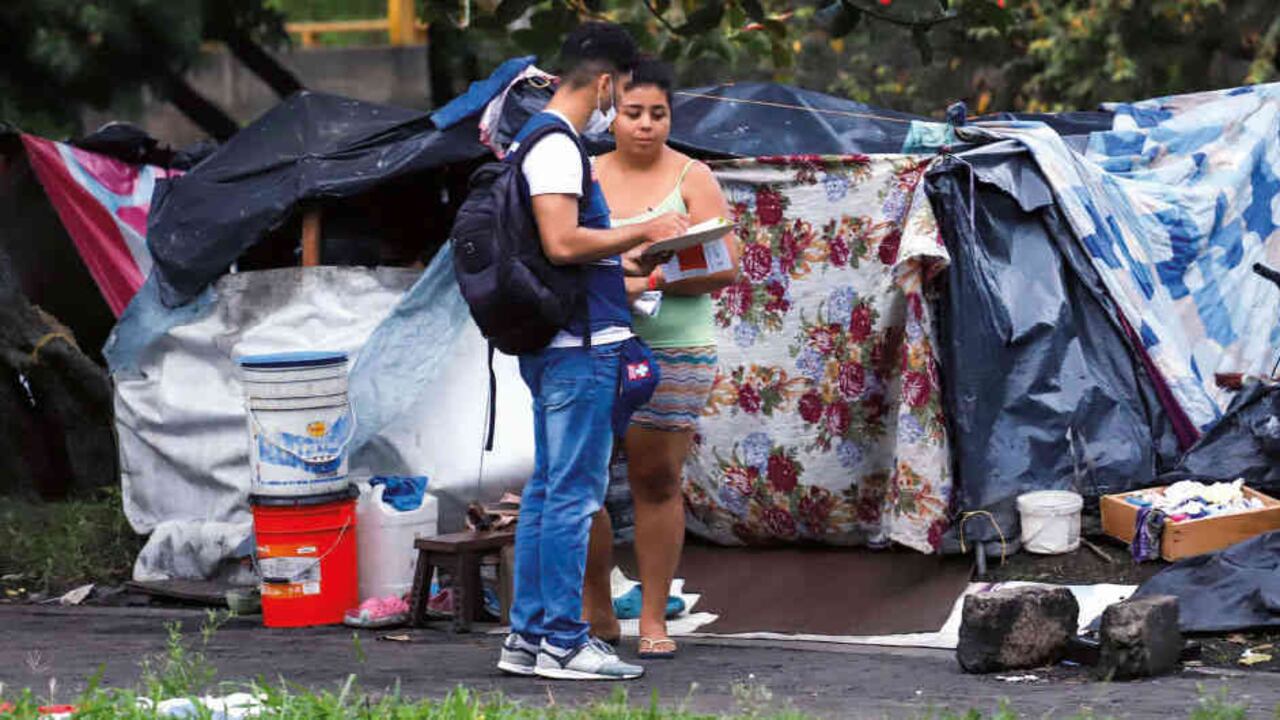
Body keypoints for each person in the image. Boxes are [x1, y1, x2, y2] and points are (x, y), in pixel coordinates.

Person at [496, 24, 690, 682]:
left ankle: (527, 637)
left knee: (550, 493)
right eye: (623, 95)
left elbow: (577, 247)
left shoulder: (541, 140)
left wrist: (624, 254)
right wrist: (648, 228)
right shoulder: (556, 145)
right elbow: (561, 243)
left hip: (564, 341)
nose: (623, 110)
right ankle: (563, 641)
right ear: (606, 83)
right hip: (579, 349)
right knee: (574, 498)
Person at [581, 58, 739, 659]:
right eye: (633, 112)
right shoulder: (586, 174)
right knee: (584, 480)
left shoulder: (693, 175)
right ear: (611, 115)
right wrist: (622, 276)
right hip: (594, 342)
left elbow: (725, 264)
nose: (646, 125)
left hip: (675, 343)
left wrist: (652, 280)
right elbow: (563, 250)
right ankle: (597, 611)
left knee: (656, 478)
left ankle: (653, 618)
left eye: (658, 114)